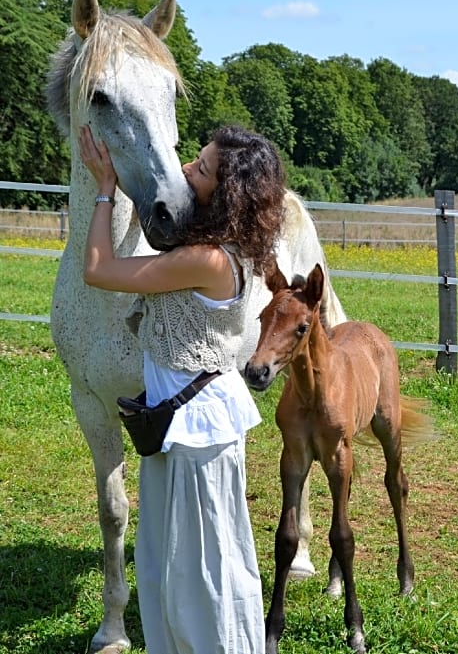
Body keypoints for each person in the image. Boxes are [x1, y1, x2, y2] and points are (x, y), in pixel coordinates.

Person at [80, 122, 285, 654]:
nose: (186, 172)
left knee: (202, 573)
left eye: (201, 170)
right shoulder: (223, 248)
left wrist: (104, 191)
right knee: (173, 566)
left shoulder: (209, 260)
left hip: (196, 432)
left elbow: (99, 270)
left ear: (227, 194)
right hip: (181, 426)